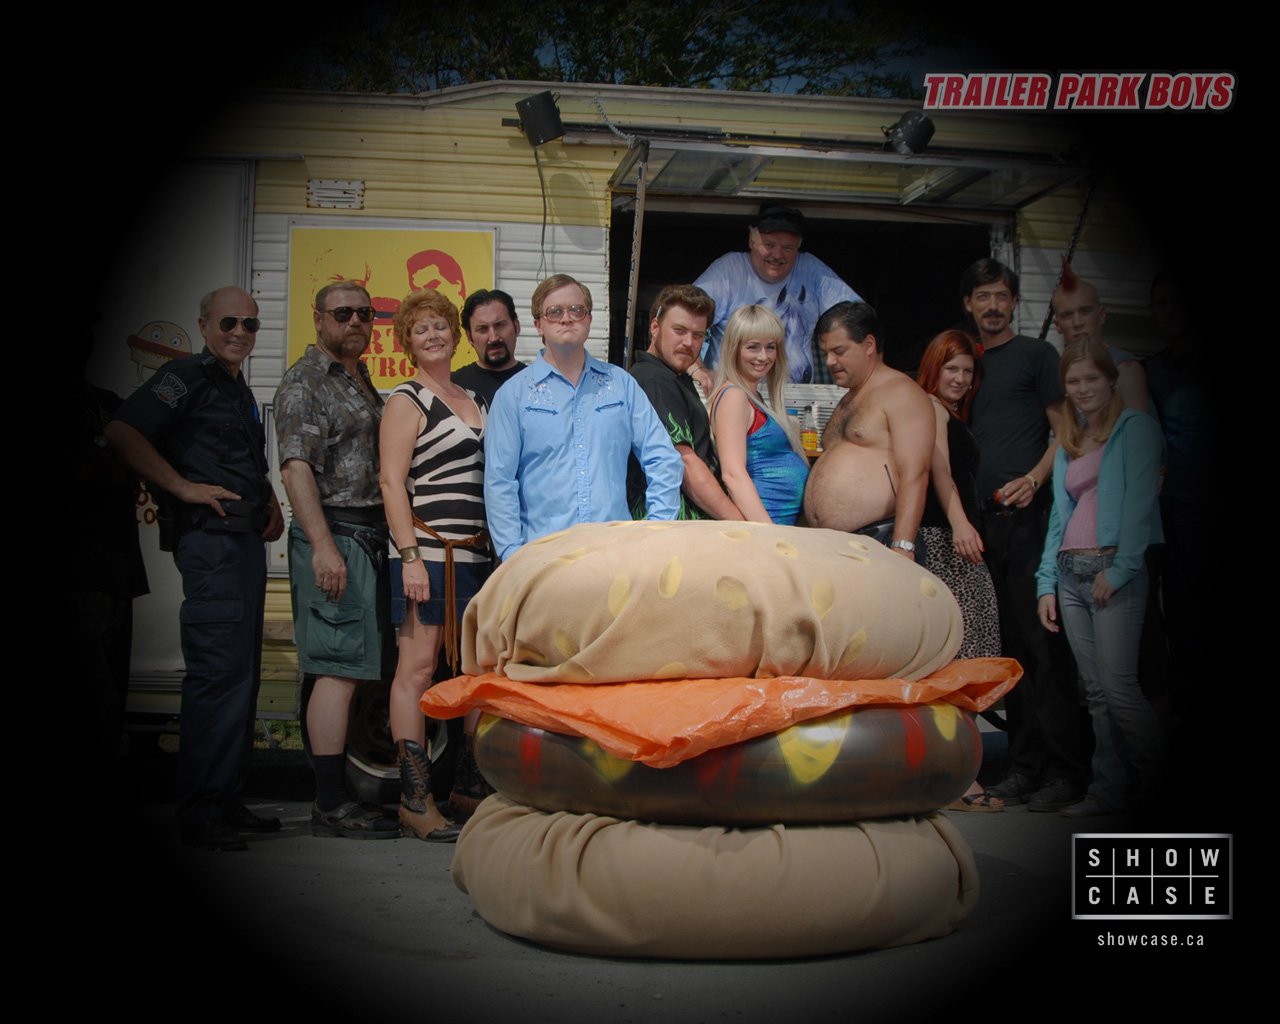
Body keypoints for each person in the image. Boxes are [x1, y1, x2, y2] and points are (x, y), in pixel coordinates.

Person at [106, 286, 284, 852]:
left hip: (241, 546)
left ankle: (225, 798)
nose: (240, 332)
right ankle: (201, 811)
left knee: (240, 676)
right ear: (205, 325)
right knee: (216, 676)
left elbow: (238, 459)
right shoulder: (184, 375)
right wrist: (179, 486)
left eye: (251, 325)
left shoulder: (235, 388)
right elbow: (122, 430)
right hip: (211, 547)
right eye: (229, 322)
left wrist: (270, 500)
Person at [276, 281, 400, 839]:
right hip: (337, 537)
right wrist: (324, 546)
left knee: (354, 667)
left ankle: (337, 800)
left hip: (366, 539)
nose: (355, 321)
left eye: (364, 313)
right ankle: (328, 806)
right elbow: (296, 469)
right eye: (343, 312)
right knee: (338, 671)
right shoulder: (305, 382)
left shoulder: (357, 376)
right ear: (318, 318)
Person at [962, 258, 1086, 812]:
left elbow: (1066, 430)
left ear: (1014, 303)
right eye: (983, 297)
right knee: (1011, 653)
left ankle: (1066, 771)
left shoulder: (1038, 356)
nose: (992, 306)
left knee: (1043, 647)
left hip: (1027, 522)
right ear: (968, 304)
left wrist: (1036, 479)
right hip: (983, 528)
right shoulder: (965, 366)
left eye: (1001, 297)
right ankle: (1024, 766)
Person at [1036, 340, 1168, 817]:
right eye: (1074, 381)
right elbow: (1059, 516)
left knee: (1119, 688)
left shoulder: (1135, 429)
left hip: (1113, 570)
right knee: (1094, 693)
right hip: (1071, 574)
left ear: (1112, 379)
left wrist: (1122, 568)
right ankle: (1108, 790)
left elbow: (1139, 507)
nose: (1083, 388)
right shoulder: (1072, 438)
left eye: (1092, 378)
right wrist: (1045, 583)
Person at [380, 289, 489, 841]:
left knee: (474, 678)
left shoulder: (474, 398)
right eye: (420, 330)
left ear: (455, 332)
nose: (433, 335)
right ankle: (415, 800)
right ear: (407, 342)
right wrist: (410, 558)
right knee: (417, 673)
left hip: (477, 557)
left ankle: (468, 789)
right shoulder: (407, 399)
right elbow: (391, 482)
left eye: (441, 326)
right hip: (429, 554)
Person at [484, 274, 683, 562]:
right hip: (543, 559)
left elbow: (664, 459)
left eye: (576, 310)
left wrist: (654, 532)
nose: (566, 319)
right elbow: (499, 482)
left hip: (614, 556)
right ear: (538, 324)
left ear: (589, 320)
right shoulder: (513, 395)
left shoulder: (621, 385)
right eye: (554, 312)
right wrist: (512, 555)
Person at [803, 301, 934, 557]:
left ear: (869, 345)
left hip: (879, 543)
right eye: (825, 353)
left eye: (839, 351)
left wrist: (903, 545)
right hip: (831, 547)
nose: (830, 361)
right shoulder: (849, 398)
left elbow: (916, 473)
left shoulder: (901, 393)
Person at [693, 203, 860, 387]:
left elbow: (857, 319)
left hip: (797, 400)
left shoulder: (811, 270)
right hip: (734, 394)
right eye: (769, 245)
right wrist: (697, 370)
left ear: (798, 247)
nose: (777, 255)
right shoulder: (729, 270)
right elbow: (687, 318)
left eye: (788, 248)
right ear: (752, 240)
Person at [629, 284, 742, 520]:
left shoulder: (673, 376)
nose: (689, 342)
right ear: (655, 327)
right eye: (679, 330)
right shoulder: (653, 379)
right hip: (678, 530)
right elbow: (685, 464)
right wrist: (740, 524)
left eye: (698, 335)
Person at [707, 305, 808, 525]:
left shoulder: (753, 396)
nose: (763, 357)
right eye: (753, 347)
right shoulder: (734, 397)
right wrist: (770, 535)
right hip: (765, 527)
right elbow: (733, 475)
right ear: (734, 349)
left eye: (770, 347)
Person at [1051, 264, 1149, 412]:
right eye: (1067, 315)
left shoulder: (1124, 367)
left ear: (1101, 314)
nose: (1077, 323)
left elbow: (1137, 429)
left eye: (1085, 311)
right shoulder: (1059, 369)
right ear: (1057, 325)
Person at [452, 287, 527, 408]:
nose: (493, 337)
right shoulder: (454, 387)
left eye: (500, 325)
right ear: (469, 337)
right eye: (482, 329)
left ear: (516, 327)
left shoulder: (536, 384)